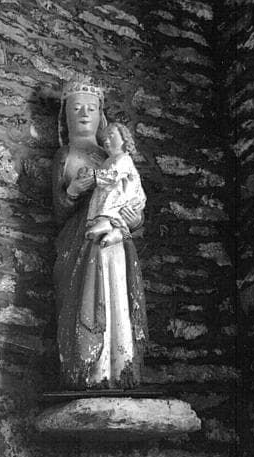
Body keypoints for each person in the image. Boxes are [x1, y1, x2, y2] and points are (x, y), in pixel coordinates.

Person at [52, 81, 148, 390]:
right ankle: (86, 371)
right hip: (77, 242)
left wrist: (135, 220)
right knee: (81, 301)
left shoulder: (114, 158)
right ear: (65, 116)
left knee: (117, 298)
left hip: (113, 240)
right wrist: (71, 191)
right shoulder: (65, 156)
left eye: (91, 108)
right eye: (76, 108)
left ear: (101, 116)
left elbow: (131, 197)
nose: (84, 114)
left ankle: (119, 368)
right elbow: (58, 211)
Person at [83, 123, 146, 248]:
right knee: (103, 191)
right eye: (104, 139)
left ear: (124, 139)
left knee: (108, 191)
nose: (106, 141)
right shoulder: (111, 160)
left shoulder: (123, 159)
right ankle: (118, 233)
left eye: (111, 136)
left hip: (127, 197)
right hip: (120, 198)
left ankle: (105, 221)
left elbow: (113, 175)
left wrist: (94, 175)